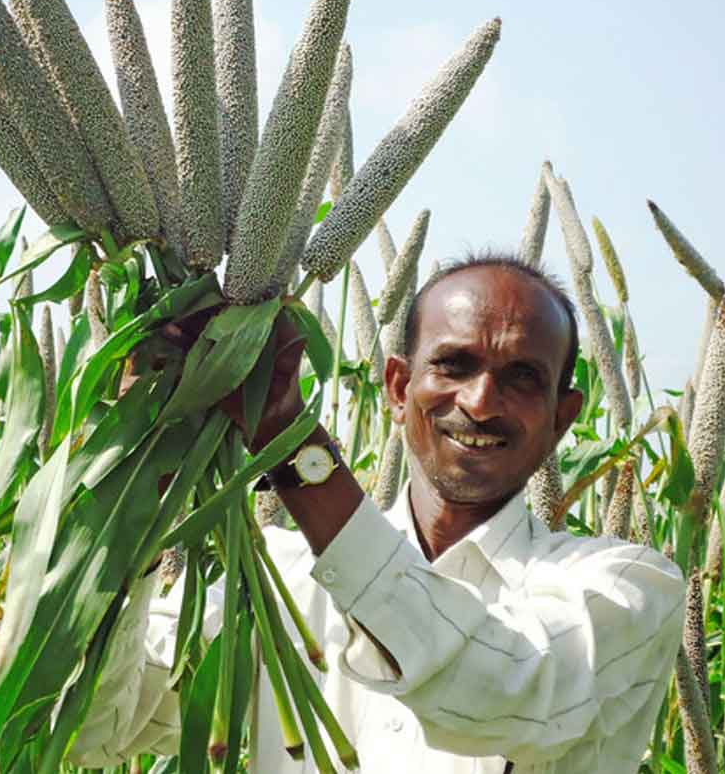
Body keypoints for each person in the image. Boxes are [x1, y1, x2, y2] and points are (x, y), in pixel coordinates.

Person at [70, 251, 686, 773]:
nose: (480, 402)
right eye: (454, 365)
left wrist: (291, 441)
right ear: (397, 387)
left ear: (562, 417)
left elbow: (495, 687)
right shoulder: (272, 577)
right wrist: (137, 495)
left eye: (522, 377)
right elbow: (95, 730)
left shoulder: (626, 589)